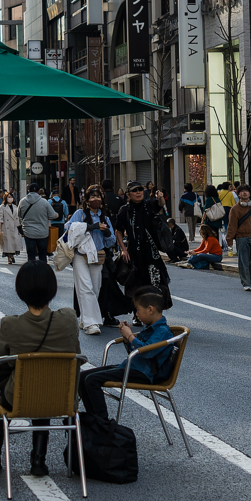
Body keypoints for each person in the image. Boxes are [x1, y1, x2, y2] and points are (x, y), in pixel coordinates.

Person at [0, 261, 80, 477]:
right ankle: (38, 459)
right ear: (52, 289)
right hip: (61, 397)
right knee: (44, 386)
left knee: (17, 387)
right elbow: (77, 353)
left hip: (18, 397)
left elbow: (0, 360)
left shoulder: (10, 325)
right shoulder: (68, 319)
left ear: (21, 291)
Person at [79, 287, 174, 421]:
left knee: (92, 380)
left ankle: (102, 424)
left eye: (138, 310)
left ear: (150, 309)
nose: (137, 313)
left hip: (144, 373)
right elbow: (135, 351)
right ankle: (94, 420)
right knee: (83, 377)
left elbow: (147, 352)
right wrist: (126, 338)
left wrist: (130, 336)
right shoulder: (149, 327)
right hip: (133, 367)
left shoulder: (162, 331)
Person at [65, 185, 116, 336]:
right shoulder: (79, 214)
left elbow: (111, 241)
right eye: (92, 197)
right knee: (85, 287)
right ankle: (92, 323)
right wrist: (90, 226)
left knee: (95, 288)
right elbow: (68, 229)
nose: (96, 199)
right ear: (86, 200)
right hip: (80, 255)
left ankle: (84, 319)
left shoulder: (105, 218)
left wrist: (106, 232)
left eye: (98, 196)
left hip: (97, 256)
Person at [115, 180, 171, 308]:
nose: (138, 192)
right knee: (136, 284)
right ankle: (137, 313)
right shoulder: (125, 210)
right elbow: (118, 230)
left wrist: (161, 197)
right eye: (134, 190)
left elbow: (160, 205)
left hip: (151, 251)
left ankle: (154, 312)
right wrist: (123, 249)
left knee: (155, 282)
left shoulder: (149, 204)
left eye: (140, 189)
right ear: (128, 194)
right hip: (134, 252)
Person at [226, 185, 251, 290]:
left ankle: (249, 279)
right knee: (243, 260)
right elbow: (232, 225)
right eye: (242, 191)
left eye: (247, 191)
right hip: (241, 238)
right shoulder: (235, 209)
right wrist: (229, 239)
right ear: (238, 194)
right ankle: (246, 283)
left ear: (250, 193)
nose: (245, 193)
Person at [18, 183, 57, 263]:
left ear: (28, 190)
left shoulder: (22, 202)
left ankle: (31, 272)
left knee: (31, 255)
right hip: (42, 232)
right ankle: (42, 273)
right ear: (39, 191)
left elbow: (19, 214)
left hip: (28, 232)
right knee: (42, 255)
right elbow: (53, 215)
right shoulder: (44, 202)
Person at [0, 191, 22, 264]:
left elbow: (17, 217)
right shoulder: (2, 207)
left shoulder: (15, 207)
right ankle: (9, 258)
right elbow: (0, 217)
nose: (10, 199)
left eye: (11, 197)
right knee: (7, 243)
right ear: (5, 198)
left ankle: (12, 256)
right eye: (8, 197)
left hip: (15, 226)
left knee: (14, 242)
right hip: (6, 227)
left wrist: (19, 226)